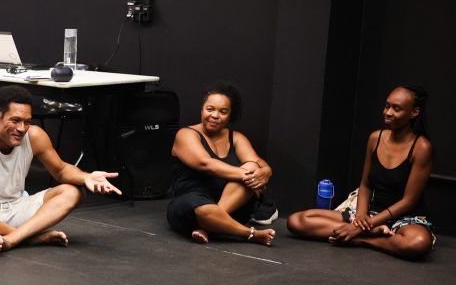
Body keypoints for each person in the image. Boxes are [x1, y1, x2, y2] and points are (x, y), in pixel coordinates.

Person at [0, 85, 121, 254]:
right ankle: (33, 237)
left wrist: (86, 177)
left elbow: (62, 170)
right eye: (15, 120)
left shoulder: (35, 136)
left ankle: (12, 239)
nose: (21, 128)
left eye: (27, 122)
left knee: (74, 191)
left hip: (17, 208)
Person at [287, 84, 434, 259]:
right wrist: (361, 217)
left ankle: (362, 240)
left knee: (418, 243)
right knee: (296, 221)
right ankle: (372, 233)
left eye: (396, 109)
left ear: (414, 112)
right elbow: (365, 184)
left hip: (405, 218)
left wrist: (361, 228)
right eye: (387, 106)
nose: (388, 112)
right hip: (370, 213)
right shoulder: (375, 138)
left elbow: (408, 202)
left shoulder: (422, 147)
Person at [165, 83, 277, 246]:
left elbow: (257, 162)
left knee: (253, 166)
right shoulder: (186, 134)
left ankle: (211, 225)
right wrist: (250, 176)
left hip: (233, 209)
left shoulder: (236, 137)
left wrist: (266, 171)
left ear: (230, 115)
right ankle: (249, 234)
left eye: (223, 112)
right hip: (192, 206)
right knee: (204, 206)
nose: (215, 115)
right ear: (202, 110)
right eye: (210, 109)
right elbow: (205, 164)